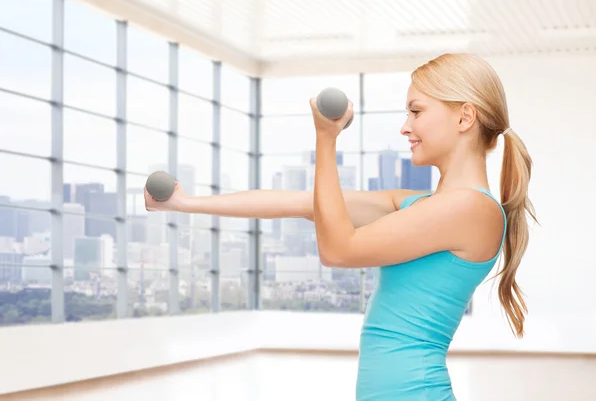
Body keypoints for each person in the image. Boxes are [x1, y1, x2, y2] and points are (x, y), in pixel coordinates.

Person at [145, 53, 537, 400]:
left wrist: (326, 138)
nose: (405, 127)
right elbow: (303, 203)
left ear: (464, 117)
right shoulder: (420, 205)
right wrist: (185, 203)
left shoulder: (469, 208)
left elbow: (339, 249)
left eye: (416, 111)